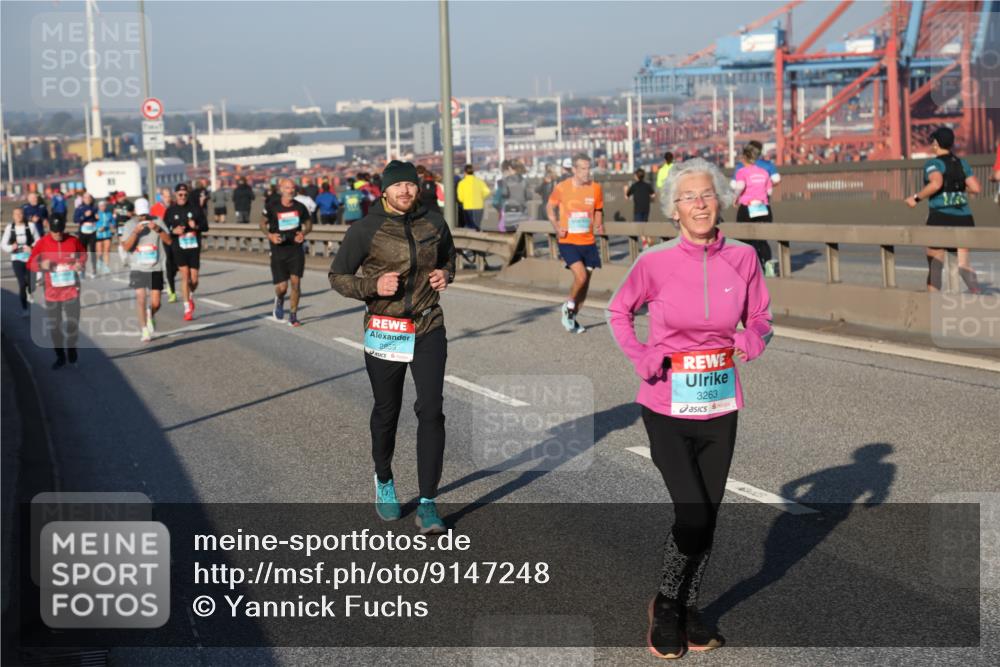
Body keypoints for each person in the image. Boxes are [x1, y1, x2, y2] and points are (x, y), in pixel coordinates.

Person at [607, 157, 772, 659]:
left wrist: (751, 339)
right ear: (673, 209)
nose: (699, 205)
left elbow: (762, 317)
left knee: (709, 516)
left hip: (720, 404)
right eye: (688, 198)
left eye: (706, 195)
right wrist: (643, 356)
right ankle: (666, 605)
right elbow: (618, 311)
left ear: (720, 202)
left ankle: (688, 606)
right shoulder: (653, 262)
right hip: (666, 405)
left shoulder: (743, 257)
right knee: (693, 512)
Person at [329, 160, 456, 535]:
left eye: (410, 185)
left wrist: (446, 274)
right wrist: (372, 286)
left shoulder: (434, 223)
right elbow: (338, 276)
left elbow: (449, 258)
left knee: (431, 410)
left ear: (418, 188)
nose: (405, 190)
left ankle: (428, 503)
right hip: (386, 328)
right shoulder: (365, 229)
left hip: (428, 325)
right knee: (388, 410)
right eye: (397, 185)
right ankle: (383, 478)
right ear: (384, 190)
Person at [905, 127, 982, 293]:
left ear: (936, 144)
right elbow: (976, 188)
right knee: (963, 265)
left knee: (935, 267)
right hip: (964, 218)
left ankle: (934, 304)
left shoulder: (933, 164)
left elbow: (936, 183)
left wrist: (915, 198)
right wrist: (957, 186)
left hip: (941, 217)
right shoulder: (962, 163)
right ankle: (978, 294)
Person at [546, 153, 604, 334]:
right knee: (581, 277)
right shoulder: (562, 188)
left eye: (589, 168)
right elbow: (549, 207)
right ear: (574, 169)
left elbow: (598, 209)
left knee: (585, 284)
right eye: (583, 169)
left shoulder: (595, 188)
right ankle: (569, 305)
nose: (587, 172)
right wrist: (556, 226)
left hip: (588, 242)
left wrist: (598, 223)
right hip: (568, 241)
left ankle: (572, 316)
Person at [27, 216, 86, 369]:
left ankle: (72, 347)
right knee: (55, 326)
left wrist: (80, 263)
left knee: (73, 323)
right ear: (49, 229)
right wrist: (42, 264)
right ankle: (60, 356)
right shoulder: (42, 243)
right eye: (54, 231)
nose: (58, 234)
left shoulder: (73, 241)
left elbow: (83, 254)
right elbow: (30, 263)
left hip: (71, 290)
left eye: (60, 231)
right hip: (52, 292)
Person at [260, 178, 313, 327]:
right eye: (288, 188)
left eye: (293, 188)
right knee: (282, 287)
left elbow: (309, 224)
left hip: (295, 249)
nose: (291, 191)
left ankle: (293, 316)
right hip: (278, 249)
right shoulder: (272, 206)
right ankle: (279, 299)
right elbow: (262, 223)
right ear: (281, 189)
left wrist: (303, 233)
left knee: (296, 283)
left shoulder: (300, 207)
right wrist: (270, 235)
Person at [120, 198, 173, 343]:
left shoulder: (157, 221)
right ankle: (144, 329)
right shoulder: (130, 225)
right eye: (140, 215)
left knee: (156, 303)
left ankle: (151, 312)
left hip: (155, 266)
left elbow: (169, 241)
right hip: (138, 267)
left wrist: (158, 229)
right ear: (135, 212)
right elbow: (126, 247)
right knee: (141, 298)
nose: (143, 218)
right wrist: (135, 233)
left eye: (145, 214)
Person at [165, 183, 209, 320]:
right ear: (176, 195)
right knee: (185, 275)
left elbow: (205, 226)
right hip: (178, 247)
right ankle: (187, 308)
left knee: (194, 280)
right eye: (180, 194)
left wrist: (196, 226)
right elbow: (165, 229)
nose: (183, 197)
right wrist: (173, 230)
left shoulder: (195, 209)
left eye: (185, 194)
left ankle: (190, 296)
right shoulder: (170, 211)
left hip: (193, 247)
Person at [732, 144, 777, 275]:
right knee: (762, 239)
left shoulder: (742, 172)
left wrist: (735, 198)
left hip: (747, 208)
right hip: (764, 208)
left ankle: (750, 268)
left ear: (744, 158)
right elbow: (769, 191)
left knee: (744, 239)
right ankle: (768, 265)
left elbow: (740, 186)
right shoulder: (764, 172)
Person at [2, 207, 43, 315]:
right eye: (16, 214)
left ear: (23, 215)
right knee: (22, 283)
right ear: (13, 216)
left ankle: (30, 292)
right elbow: (3, 244)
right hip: (17, 259)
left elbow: (38, 240)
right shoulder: (10, 228)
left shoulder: (31, 226)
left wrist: (32, 248)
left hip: (29, 258)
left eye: (20, 213)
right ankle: (24, 308)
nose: (18, 216)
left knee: (30, 282)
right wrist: (11, 247)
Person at [150, 188, 179, 302]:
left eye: (169, 196)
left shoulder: (175, 206)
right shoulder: (155, 208)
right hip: (161, 240)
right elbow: (151, 223)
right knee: (166, 264)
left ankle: (170, 280)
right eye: (166, 196)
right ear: (161, 196)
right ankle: (171, 290)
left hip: (174, 239)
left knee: (174, 267)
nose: (168, 198)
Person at [456, 164, 490, 231]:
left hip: (467, 207)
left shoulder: (462, 183)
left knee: (470, 226)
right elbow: (487, 191)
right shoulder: (480, 181)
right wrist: (481, 198)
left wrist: (464, 200)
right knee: (477, 226)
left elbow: (460, 198)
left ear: (465, 172)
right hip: (479, 207)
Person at [73, 192, 99, 278]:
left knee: (93, 251)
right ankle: (82, 270)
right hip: (83, 232)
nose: (87, 199)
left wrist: (96, 218)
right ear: (83, 199)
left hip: (92, 232)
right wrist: (84, 216)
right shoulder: (79, 208)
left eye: (89, 197)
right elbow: (75, 220)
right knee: (83, 252)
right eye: (86, 198)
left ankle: (94, 270)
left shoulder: (94, 208)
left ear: (91, 199)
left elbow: (97, 219)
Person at [499, 161, 529, 232]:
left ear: (510, 168)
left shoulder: (506, 180)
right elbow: (529, 196)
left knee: (510, 233)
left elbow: (504, 194)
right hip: (522, 211)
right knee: (522, 233)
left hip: (510, 212)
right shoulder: (524, 180)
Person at [95, 199, 116, 274]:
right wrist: (98, 228)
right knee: (99, 251)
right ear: (98, 207)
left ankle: (106, 266)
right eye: (101, 206)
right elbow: (92, 223)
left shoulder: (109, 213)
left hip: (107, 233)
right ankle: (99, 262)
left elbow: (113, 223)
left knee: (107, 250)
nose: (102, 207)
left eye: (104, 206)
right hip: (98, 234)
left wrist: (112, 225)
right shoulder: (96, 214)